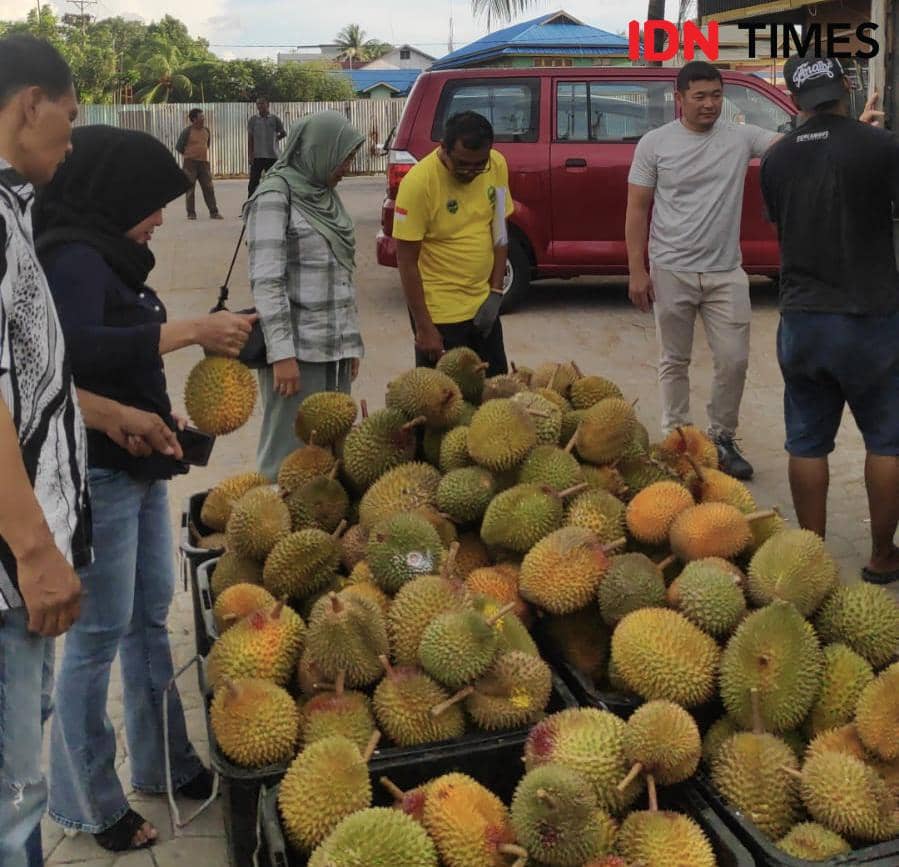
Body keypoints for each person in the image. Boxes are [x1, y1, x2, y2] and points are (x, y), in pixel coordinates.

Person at [32, 124, 257, 853]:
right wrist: (193, 329)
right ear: (117, 193)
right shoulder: (70, 256)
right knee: (96, 637)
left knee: (148, 617)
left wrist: (162, 415)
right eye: (153, 203)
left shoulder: (110, 256)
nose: (162, 216)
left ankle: (166, 761)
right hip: (96, 472)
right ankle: (87, 800)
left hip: (139, 462)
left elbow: (117, 355)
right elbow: (74, 349)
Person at [0, 37, 182, 867]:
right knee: (12, 802)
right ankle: (83, 802)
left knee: (20, 790)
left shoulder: (14, 214)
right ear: (29, 102)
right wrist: (34, 547)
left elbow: (33, 376)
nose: (71, 147)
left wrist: (104, 413)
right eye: (68, 122)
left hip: (31, 545)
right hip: (12, 555)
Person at [760, 55, 898, 585]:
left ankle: (812, 559)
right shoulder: (883, 147)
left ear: (795, 101)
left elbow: (787, 217)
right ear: (845, 88)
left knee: (806, 442)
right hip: (872, 315)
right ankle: (882, 556)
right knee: (887, 440)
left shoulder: (776, 159)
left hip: (802, 318)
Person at [625, 61, 786, 480]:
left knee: (733, 360)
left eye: (716, 95)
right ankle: (676, 439)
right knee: (673, 360)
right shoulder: (655, 144)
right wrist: (636, 270)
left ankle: (721, 438)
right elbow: (637, 208)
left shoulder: (740, 137)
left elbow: (795, 146)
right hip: (671, 267)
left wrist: (849, 127)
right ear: (679, 99)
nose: (710, 104)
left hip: (725, 272)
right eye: (699, 96)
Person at [243, 110, 364, 481]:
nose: (346, 167)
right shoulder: (275, 196)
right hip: (297, 351)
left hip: (334, 349)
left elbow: (341, 274)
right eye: (343, 157)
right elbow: (267, 280)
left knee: (329, 462)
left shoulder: (326, 196)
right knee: (287, 458)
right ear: (318, 150)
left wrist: (351, 343)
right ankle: (272, 534)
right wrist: (282, 355)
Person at [393, 111, 514, 375]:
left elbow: (500, 231)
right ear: (444, 149)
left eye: (478, 164)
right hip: (439, 313)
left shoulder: (496, 165)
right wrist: (424, 326)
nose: (471, 172)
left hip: (483, 305)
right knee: (443, 406)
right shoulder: (418, 183)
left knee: (496, 395)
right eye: (462, 164)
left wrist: (495, 293)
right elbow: (406, 260)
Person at [175, 108, 222, 221]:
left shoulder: (206, 130)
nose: (203, 119)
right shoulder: (187, 131)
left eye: (203, 117)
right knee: (190, 189)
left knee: (208, 188)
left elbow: (207, 144)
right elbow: (179, 147)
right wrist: (190, 155)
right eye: (201, 117)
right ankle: (191, 213)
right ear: (194, 119)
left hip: (203, 163)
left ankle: (214, 212)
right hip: (190, 164)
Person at [247, 96, 286, 197]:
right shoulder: (253, 120)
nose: (260, 106)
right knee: (253, 183)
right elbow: (250, 138)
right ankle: (249, 206)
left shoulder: (274, 119)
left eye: (262, 103)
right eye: (258, 104)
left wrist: (275, 139)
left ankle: (272, 203)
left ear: (267, 105)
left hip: (272, 156)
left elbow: (283, 133)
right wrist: (250, 155)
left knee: (272, 182)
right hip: (257, 156)